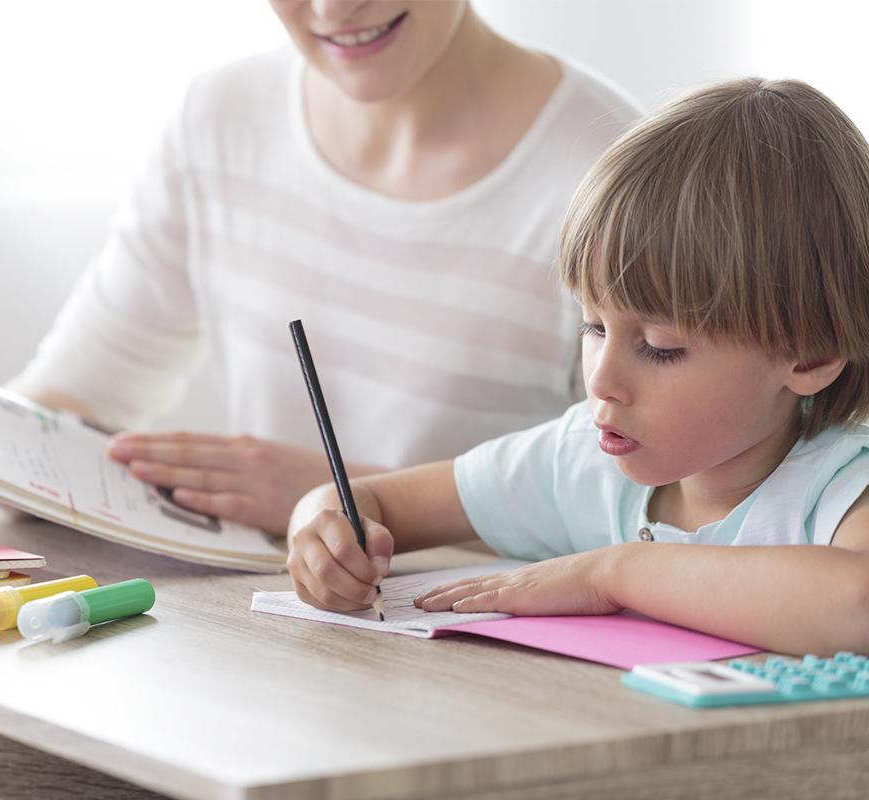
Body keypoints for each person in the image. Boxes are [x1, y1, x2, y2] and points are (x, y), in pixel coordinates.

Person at [8, 0, 643, 535]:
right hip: (266, 627)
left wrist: (344, 495)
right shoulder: (220, 119)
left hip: (485, 652)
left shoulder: (616, 177)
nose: (332, 10)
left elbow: (654, 511)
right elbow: (80, 387)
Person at [285, 77, 869, 656]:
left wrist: (614, 573)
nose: (600, 381)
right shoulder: (581, 460)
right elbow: (367, 501)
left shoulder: (843, 486)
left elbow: (856, 606)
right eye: (593, 327)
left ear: (811, 355)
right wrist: (323, 531)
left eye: (660, 347)